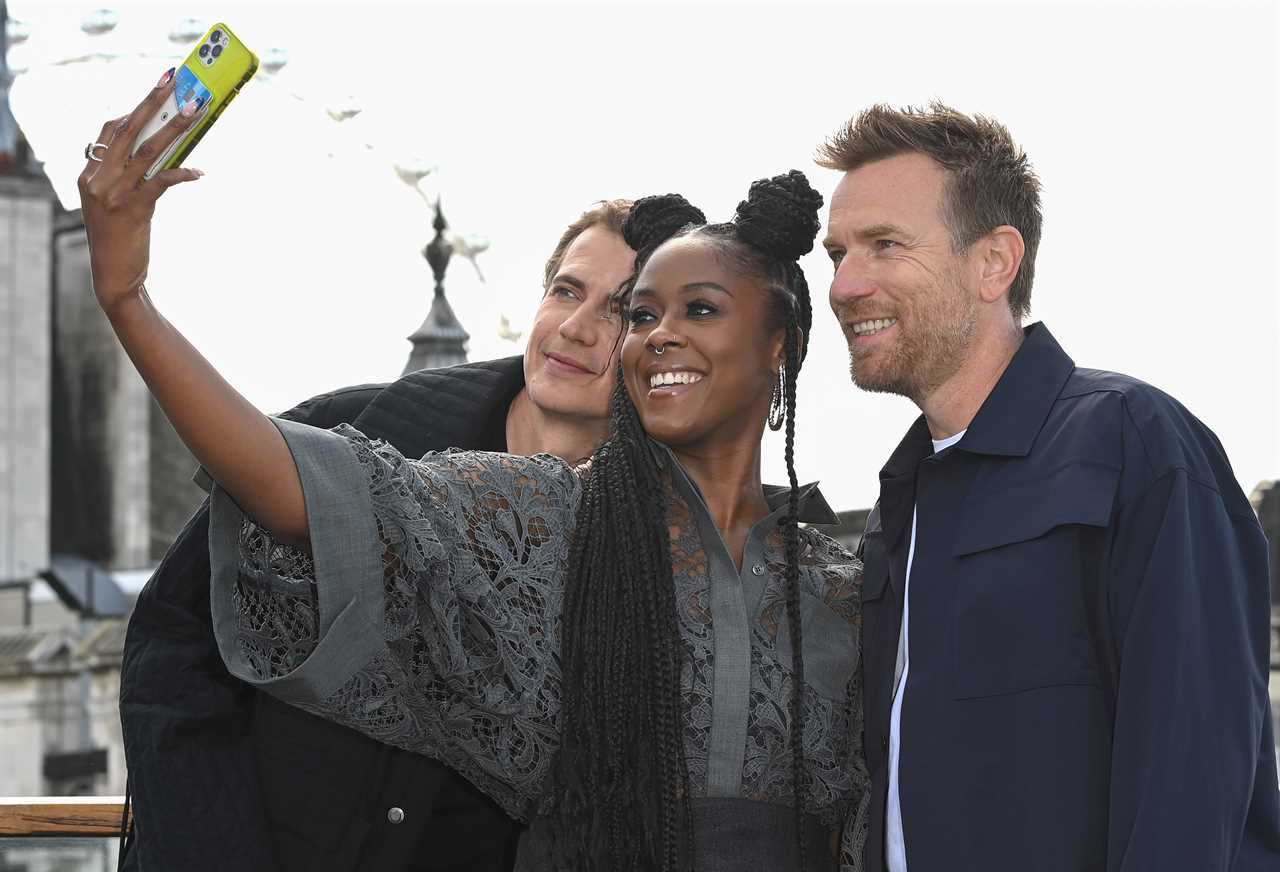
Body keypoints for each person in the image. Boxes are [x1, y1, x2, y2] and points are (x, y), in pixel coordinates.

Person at [83, 76, 867, 872]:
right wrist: (128, 298)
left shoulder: (845, 584)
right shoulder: (535, 516)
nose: (650, 335)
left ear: (781, 346)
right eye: (642, 313)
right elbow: (301, 496)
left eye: (696, 309)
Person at [107, 73, 638, 871]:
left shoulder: (653, 540)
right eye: (566, 290)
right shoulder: (348, 429)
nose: (576, 327)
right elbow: (172, 644)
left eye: (624, 311)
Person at [817, 102, 1280, 871]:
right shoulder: (901, 501)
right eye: (837, 254)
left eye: (884, 246)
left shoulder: (1132, 445)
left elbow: (1192, 785)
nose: (844, 284)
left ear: (995, 261)